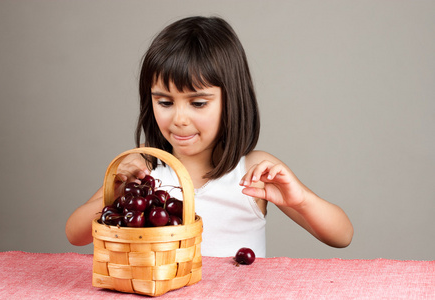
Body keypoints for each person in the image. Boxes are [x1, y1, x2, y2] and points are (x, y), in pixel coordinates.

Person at [65, 16, 353, 257]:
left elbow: (342, 235)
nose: (179, 119)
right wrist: (114, 193)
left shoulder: (253, 171)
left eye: (198, 103)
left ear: (232, 100)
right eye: (164, 102)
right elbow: (75, 234)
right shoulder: (144, 166)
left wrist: (300, 200)